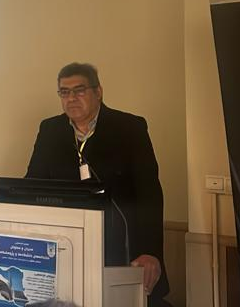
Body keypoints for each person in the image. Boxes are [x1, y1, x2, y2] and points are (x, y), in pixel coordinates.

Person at [26, 62, 170, 304]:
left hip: (120, 248)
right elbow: (31, 186)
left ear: (98, 92)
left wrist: (150, 251)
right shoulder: (50, 130)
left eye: (79, 90)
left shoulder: (129, 128)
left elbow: (149, 194)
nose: (71, 98)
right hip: (66, 248)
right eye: (64, 92)